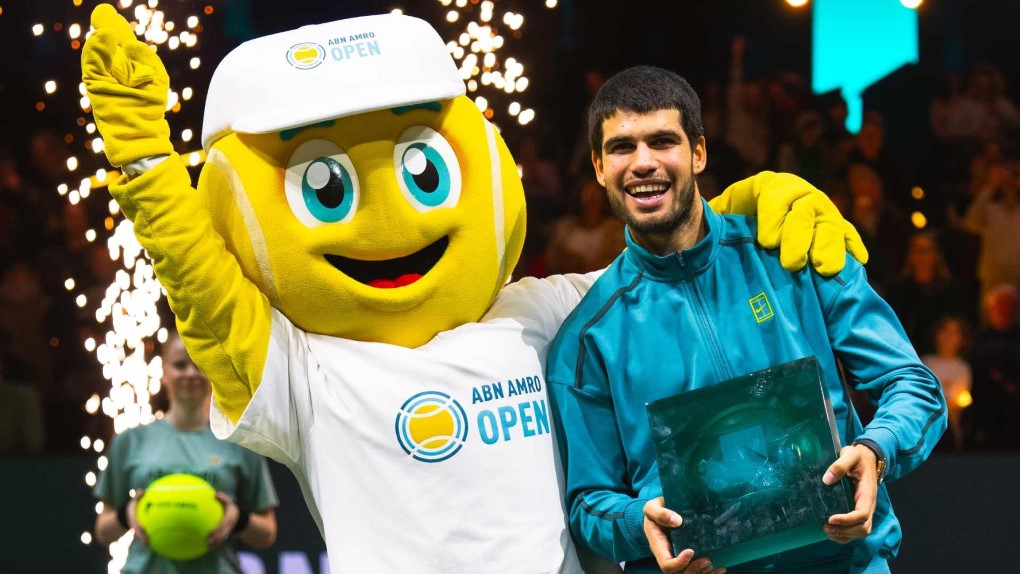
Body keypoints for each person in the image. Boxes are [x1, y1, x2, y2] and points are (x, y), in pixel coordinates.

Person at [82, 5, 867, 571]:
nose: (390, 220)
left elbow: (664, 260)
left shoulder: (533, 313)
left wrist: (751, 205)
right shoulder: (301, 371)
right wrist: (151, 174)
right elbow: (206, 290)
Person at [546, 65, 947, 574]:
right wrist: (635, 522)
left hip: (844, 563)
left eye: (663, 141)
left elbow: (914, 385)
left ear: (698, 152)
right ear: (599, 168)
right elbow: (588, 503)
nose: (642, 163)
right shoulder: (589, 340)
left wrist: (877, 448)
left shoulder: (794, 255)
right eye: (622, 147)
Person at [93, 327, 278, 573]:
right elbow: (103, 531)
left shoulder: (239, 441)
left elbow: (267, 533)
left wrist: (238, 518)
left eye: (200, 364)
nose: (191, 373)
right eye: (180, 365)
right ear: (164, 371)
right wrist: (128, 514)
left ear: (213, 370)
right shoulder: (130, 441)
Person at [921, 315, 973, 451]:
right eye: (944, 330)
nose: (948, 336)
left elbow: (960, 400)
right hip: (922, 432)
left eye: (954, 332)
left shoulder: (962, 368)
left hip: (948, 433)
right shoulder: (925, 362)